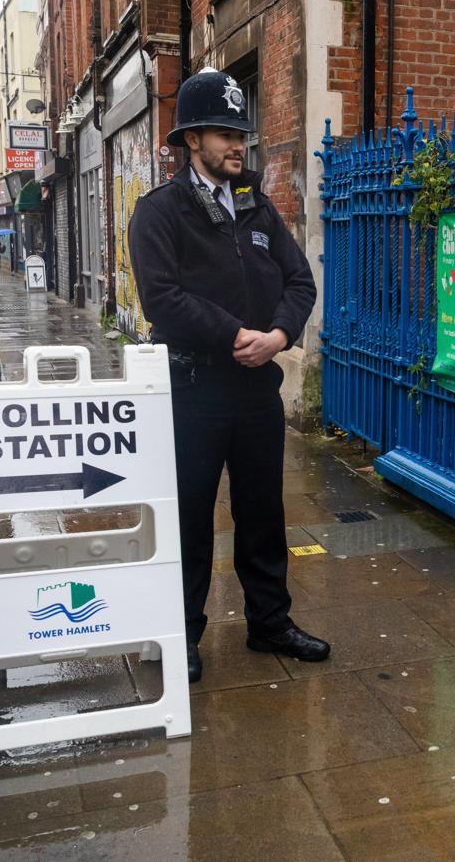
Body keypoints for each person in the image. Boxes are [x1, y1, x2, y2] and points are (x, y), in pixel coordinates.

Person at [128, 67, 330, 683]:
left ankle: (268, 624)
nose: (237, 144)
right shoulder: (160, 212)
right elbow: (161, 298)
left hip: (254, 393)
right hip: (192, 392)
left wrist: (277, 337)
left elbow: (300, 281)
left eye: (241, 132)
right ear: (192, 140)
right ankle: (184, 633)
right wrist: (231, 334)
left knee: (263, 512)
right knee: (189, 515)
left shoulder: (257, 207)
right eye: (223, 133)